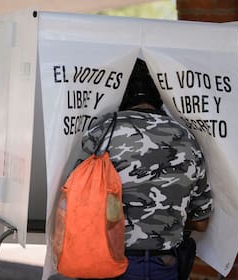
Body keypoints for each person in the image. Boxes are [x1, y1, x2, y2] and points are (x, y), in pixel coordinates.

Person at [78, 58, 213, 280]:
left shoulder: (102, 133)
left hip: (109, 263)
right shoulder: (187, 140)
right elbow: (201, 221)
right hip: (165, 265)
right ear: (160, 94)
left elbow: (76, 201)